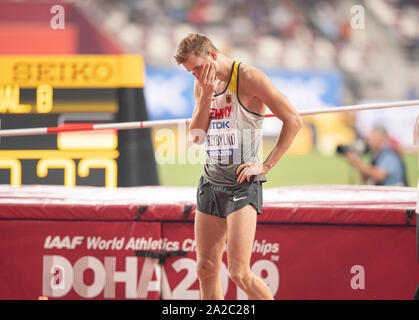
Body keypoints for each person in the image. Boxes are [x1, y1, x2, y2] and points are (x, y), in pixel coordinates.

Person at [174, 33, 303, 300]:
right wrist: (205, 96)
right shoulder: (202, 85)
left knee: (239, 272)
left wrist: (266, 164)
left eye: (197, 68)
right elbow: (196, 137)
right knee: (205, 268)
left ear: (211, 55)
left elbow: (293, 120)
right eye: (190, 72)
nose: (196, 75)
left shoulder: (250, 77)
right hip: (210, 183)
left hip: (241, 186)